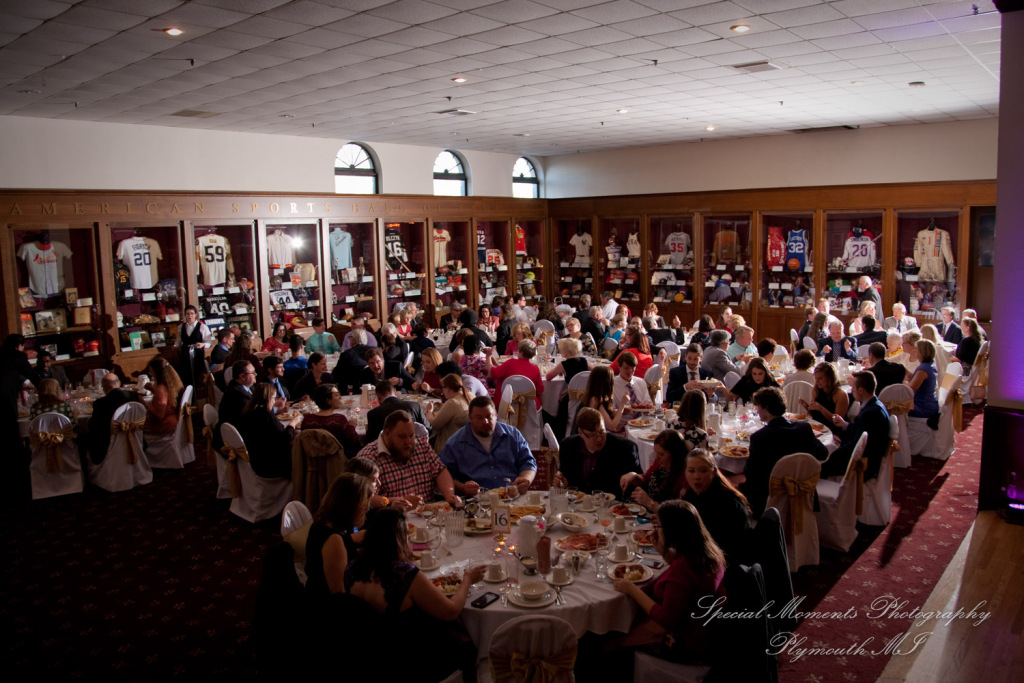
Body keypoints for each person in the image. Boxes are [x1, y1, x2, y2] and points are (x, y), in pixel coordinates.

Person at [345, 507, 483, 683]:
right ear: (398, 539)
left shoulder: (351, 569)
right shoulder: (404, 574)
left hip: (371, 655)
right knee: (468, 644)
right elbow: (451, 611)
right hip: (411, 661)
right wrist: (468, 580)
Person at [597, 500, 726, 676]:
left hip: (685, 641)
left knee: (608, 636)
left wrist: (632, 590)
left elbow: (667, 618)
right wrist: (662, 551)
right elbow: (687, 581)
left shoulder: (682, 569)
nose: (655, 529)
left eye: (659, 526)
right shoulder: (707, 553)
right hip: (706, 629)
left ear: (673, 531)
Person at [744, 386, 828, 519]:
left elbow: (750, 473)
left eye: (758, 406)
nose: (757, 410)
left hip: (770, 499)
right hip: (803, 493)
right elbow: (823, 454)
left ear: (766, 407)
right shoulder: (804, 428)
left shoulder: (759, 438)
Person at [356, 410, 462, 508]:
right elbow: (364, 497)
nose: (408, 442)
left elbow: (440, 471)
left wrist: (449, 496)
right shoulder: (368, 457)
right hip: (393, 519)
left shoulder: (420, 444)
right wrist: (396, 501)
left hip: (429, 514)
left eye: (411, 435)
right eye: (402, 437)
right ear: (387, 434)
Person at [439, 396, 536, 496]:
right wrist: (463, 488)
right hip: (476, 501)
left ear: (495, 415)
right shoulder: (455, 443)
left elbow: (528, 462)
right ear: (470, 418)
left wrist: (525, 479)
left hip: (512, 495)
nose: (485, 421)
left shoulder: (512, 435)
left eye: (489, 416)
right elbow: (443, 475)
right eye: (479, 417)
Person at [304, 472, 373, 597]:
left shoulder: (322, 524)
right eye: (364, 506)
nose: (367, 510)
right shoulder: (333, 539)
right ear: (350, 505)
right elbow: (339, 592)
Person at [681, 449, 752, 564]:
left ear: (713, 472)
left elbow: (716, 547)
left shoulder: (727, 503)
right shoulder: (693, 494)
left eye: (703, 471)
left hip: (725, 565)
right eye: (691, 471)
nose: (697, 476)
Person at [821, 372, 892, 481]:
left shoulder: (871, 413)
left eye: (853, 387)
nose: (851, 390)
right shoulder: (875, 404)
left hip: (863, 466)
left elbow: (856, 445)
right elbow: (861, 429)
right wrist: (845, 425)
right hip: (867, 454)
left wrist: (832, 456)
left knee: (819, 465)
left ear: (861, 390)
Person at [553, 408, 640, 494]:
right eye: (593, 435)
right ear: (581, 433)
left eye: (602, 432)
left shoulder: (625, 449)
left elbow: (638, 485)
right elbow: (566, 480)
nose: (599, 439)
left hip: (611, 505)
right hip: (578, 504)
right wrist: (562, 484)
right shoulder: (568, 446)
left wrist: (633, 476)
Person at [237, 382, 300, 479]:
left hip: (257, 459)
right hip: (271, 464)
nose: (274, 401)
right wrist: (292, 423)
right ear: (267, 398)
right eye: (274, 398)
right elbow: (285, 439)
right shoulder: (264, 414)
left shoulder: (249, 411)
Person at [620, 429, 688, 510]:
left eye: (661, 454)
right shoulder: (660, 463)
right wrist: (633, 476)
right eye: (656, 453)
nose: (657, 458)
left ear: (675, 454)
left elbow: (677, 513)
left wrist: (649, 502)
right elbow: (645, 479)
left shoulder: (685, 477)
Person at [87, 373, 138, 464]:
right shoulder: (133, 396)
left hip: (108, 445)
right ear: (118, 383)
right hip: (135, 439)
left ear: (104, 387)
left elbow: (93, 427)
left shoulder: (100, 403)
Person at [300, 383, 361, 458]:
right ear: (328, 400)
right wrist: (352, 427)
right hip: (336, 463)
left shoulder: (307, 420)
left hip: (313, 463)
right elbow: (354, 442)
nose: (340, 397)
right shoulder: (339, 420)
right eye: (336, 395)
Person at [545, 336, 590, 435]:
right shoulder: (584, 360)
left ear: (566, 352)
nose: (560, 352)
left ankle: (560, 433)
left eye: (561, 350)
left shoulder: (564, 364)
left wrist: (560, 370)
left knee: (558, 403)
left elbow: (548, 377)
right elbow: (593, 371)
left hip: (571, 398)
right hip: (586, 396)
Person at [489, 338, 544, 407]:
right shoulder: (535, 369)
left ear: (520, 351)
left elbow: (493, 374)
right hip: (527, 406)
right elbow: (539, 391)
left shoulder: (510, 363)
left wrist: (488, 357)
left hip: (506, 404)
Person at [800, 361, 849, 436]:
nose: (817, 381)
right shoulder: (816, 390)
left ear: (830, 378)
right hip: (819, 429)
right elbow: (815, 415)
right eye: (816, 378)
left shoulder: (840, 394)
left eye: (820, 378)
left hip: (834, 432)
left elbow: (837, 422)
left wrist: (821, 409)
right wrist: (807, 407)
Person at [424, 374, 471, 453]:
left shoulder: (452, 403)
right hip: (463, 445)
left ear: (448, 388)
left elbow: (435, 424)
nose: (442, 391)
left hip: (449, 446)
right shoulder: (469, 396)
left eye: (443, 388)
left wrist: (429, 412)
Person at [580, 365, 629, 434]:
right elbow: (611, 426)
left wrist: (618, 412)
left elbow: (604, 416)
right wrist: (622, 405)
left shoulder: (595, 396)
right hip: (596, 438)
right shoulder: (595, 400)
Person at [142, 356, 183, 436]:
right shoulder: (173, 383)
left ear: (157, 372)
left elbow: (159, 415)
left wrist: (144, 403)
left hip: (165, 426)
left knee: (137, 426)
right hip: (174, 422)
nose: (151, 374)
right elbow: (168, 397)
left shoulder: (161, 389)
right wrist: (154, 390)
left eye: (152, 371)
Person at [217, 360, 257, 440]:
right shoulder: (236, 394)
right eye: (253, 373)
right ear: (242, 376)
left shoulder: (248, 386)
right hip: (237, 436)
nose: (256, 374)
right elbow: (253, 415)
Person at [175, 304, 212, 388]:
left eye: (192, 313)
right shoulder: (181, 327)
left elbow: (209, 342)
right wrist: (175, 345)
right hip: (185, 354)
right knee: (186, 377)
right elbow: (179, 340)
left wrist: (202, 344)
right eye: (187, 314)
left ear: (195, 314)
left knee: (197, 377)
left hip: (198, 354)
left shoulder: (202, 327)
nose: (190, 316)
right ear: (185, 315)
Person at [907, 339, 940, 421]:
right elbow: (917, 380)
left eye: (916, 349)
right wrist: (905, 372)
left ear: (922, 352)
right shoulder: (930, 364)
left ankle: (900, 432)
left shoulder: (923, 369)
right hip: (929, 402)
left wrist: (902, 383)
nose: (914, 350)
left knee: (894, 407)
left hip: (923, 406)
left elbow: (910, 389)